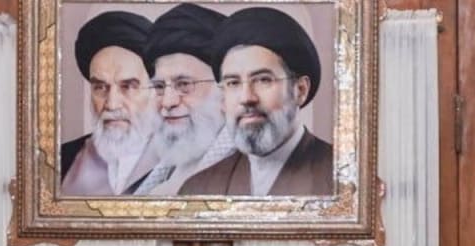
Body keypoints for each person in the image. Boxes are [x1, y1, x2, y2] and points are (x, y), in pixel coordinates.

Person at [179, 6, 333, 197]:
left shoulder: (343, 178)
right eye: (233, 83)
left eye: (263, 80)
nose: (246, 98)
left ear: (300, 90)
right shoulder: (198, 189)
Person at [135, 3, 235, 196]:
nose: (167, 102)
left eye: (184, 84)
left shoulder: (252, 169)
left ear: (225, 88)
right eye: (159, 87)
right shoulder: (167, 167)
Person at [60, 10, 158, 196]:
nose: (112, 104)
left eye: (127, 86)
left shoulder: (180, 165)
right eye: (100, 87)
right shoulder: (62, 159)